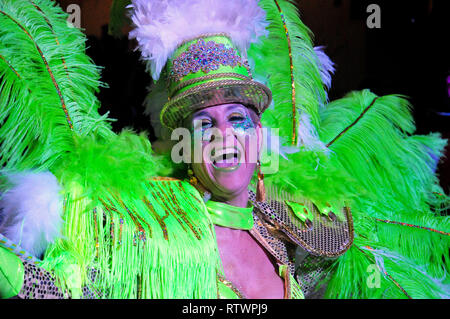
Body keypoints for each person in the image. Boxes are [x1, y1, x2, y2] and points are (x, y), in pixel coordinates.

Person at [0, 0, 448, 299]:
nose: (224, 137)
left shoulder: (299, 225)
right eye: (203, 123)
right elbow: (65, 288)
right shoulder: (139, 225)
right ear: (183, 143)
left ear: (258, 131)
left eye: (237, 118)